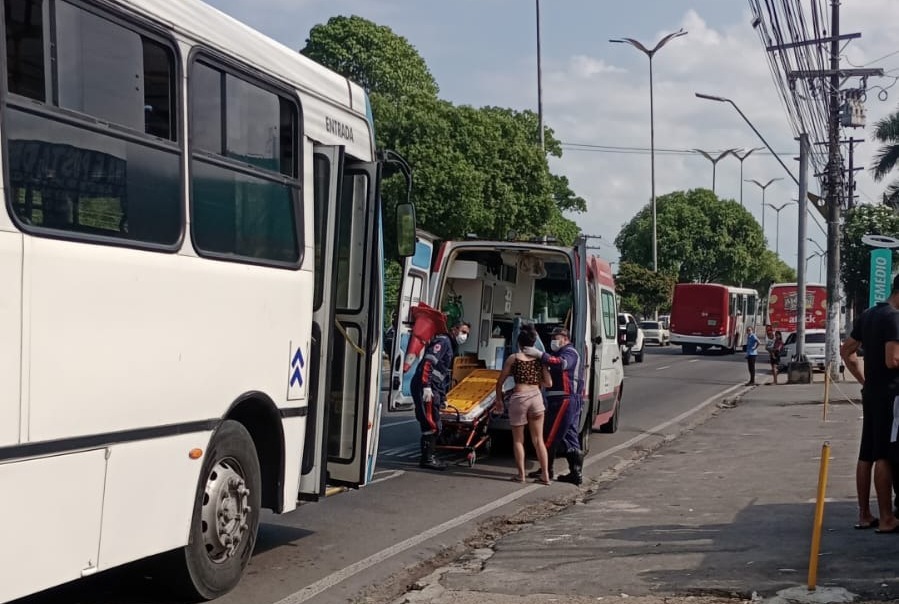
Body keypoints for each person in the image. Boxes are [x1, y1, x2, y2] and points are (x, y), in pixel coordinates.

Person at [841, 274, 899, 533]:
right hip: (891, 395)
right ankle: (887, 518)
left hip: (872, 393)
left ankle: (865, 514)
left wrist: (864, 380)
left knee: (867, 454)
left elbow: (847, 351)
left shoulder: (869, 315)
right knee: (884, 454)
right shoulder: (895, 318)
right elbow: (893, 360)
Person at [524, 327, 585, 485]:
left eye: (556, 337)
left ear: (565, 338)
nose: (553, 340)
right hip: (563, 398)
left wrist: (540, 355)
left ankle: (547, 470)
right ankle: (575, 472)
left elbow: (560, 364)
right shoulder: (559, 353)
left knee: (550, 435)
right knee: (570, 437)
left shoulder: (570, 352)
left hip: (564, 398)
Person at [492, 324, 552, 484]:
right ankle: (545, 475)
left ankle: (521, 475)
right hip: (536, 398)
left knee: (518, 440)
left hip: (519, 398)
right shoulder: (540, 360)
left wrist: (499, 400)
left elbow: (500, 382)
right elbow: (549, 383)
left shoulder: (513, 358)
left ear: (519, 343)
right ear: (534, 343)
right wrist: (534, 379)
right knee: (539, 440)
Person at [411, 319, 471, 470]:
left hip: (433, 387)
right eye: (462, 332)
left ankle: (428, 457)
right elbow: (428, 363)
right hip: (426, 386)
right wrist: (426, 386)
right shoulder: (443, 342)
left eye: (467, 334)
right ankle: (428, 459)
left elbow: (442, 375)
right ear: (454, 329)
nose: (464, 336)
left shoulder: (450, 345)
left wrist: (442, 397)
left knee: (432, 423)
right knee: (431, 423)